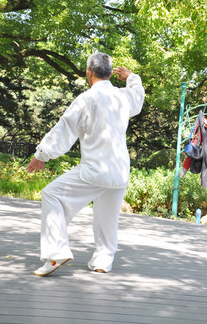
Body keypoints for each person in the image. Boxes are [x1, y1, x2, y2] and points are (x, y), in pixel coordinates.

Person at [27, 52, 145, 276]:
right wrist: (131, 77)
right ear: (110, 73)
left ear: (89, 72)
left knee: (51, 194)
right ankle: (103, 261)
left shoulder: (86, 99)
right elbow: (137, 97)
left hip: (94, 170)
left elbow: (65, 129)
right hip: (119, 172)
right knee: (108, 219)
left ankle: (56, 252)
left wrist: (40, 156)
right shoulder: (123, 97)